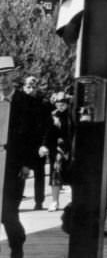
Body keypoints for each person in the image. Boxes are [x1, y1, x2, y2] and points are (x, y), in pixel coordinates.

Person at [2, 61, 47, 258]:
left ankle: (16, 247)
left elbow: (34, 136)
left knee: (8, 212)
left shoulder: (27, 103)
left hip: (14, 164)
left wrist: (28, 163)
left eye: (5, 75)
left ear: (13, 76)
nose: (1, 80)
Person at [21, 76, 49, 211]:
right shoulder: (18, 102)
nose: (31, 89)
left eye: (33, 87)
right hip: (22, 144)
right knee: (19, 173)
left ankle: (39, 201)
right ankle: (17, 199)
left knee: (39, 174)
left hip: (37, 143)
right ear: (23, 87)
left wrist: (44, 144)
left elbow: (46, 126)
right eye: (28, 86)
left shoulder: (42, 103)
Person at [45, 92, 73, 211]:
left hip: (71, 148)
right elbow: (47, 133)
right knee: (56, 174)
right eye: (58, 104)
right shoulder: (52, 116)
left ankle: (73, 201)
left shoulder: (72, 115)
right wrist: (47, 146)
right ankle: (54, 201)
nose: (60, 106)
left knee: (72, 174)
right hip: (57, 148)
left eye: (63, 104)